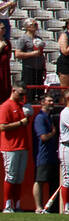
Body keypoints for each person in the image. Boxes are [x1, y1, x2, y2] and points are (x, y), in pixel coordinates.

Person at [0, 85, 31, 213]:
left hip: (22, 145)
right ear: (13, 90)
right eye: (20, 94)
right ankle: (7, 205)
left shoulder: (20, 105)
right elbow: (2, 126)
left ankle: (17, 204)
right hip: (10, 147)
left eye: (24, 94)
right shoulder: (6, 106)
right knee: (11, 176)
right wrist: (21, 123)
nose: (22, 97)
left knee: (19, 178)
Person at [32, 92, 58, 214]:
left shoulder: (49, 117)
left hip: (52, 154)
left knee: (53, 182)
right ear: (42, 103)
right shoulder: (40, 118)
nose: (51, 103)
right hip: (43, 155)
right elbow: (43, 137)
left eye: (52, 101)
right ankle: (38, 206)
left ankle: (50, 207)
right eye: (49, 101)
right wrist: (52, 133)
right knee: (40, 180)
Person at [15, 19, 46, 101]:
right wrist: (33, 54)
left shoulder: (38, 38)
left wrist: (43, 67)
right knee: (29, 91)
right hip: (29, 68)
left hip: (39, 68)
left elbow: (41, 54)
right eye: (33, 24)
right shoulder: (23, 39)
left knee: (40, 90)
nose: (36, 26)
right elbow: (17, 54)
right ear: (27, 27)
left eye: (36, 24)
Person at [0, 22, 11, 99]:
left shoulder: (7, 41)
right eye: (2, 28)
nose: (4, 30)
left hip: (5, 66)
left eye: (4, 28)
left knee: (6, 85)